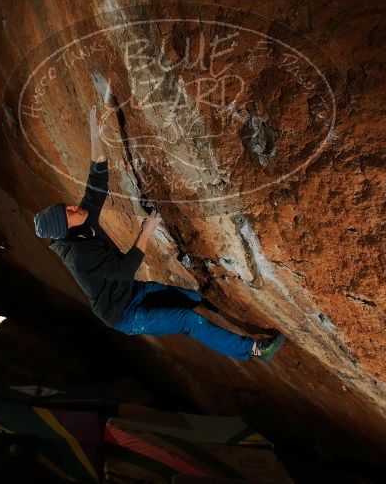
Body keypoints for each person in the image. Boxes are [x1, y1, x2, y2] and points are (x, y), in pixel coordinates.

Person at [34, 106, 284, 361]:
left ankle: (223, 323)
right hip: (124, 314)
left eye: (69, 207)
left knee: (192, 298)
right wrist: (146, 231)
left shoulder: (82, 222)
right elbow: (123, 269)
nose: (75, 208)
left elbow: (97, 180)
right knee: (188, 320)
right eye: (70, 213)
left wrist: (94, 134)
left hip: (132, 290)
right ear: (66, 228)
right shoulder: (78, 255)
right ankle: (253, 349)